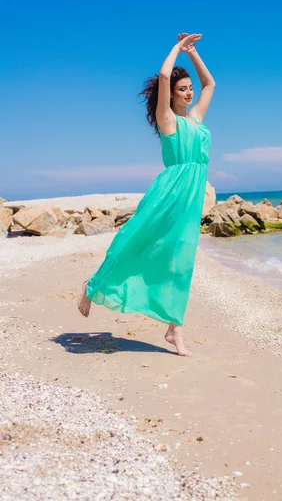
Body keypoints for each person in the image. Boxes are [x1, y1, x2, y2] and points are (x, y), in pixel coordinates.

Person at [77, 33, 215, 356]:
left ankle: (173, 329)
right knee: (133, 241)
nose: (190, 91)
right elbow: (166, 75)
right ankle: (93, 285)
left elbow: (210, 84)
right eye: (184, 89)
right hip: (168, 195)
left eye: (189, 88)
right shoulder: (168, 121)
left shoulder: (195, 120)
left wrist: (193, 54)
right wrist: (177, 49)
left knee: (181, 262)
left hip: (190, 198)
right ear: (172, 96)